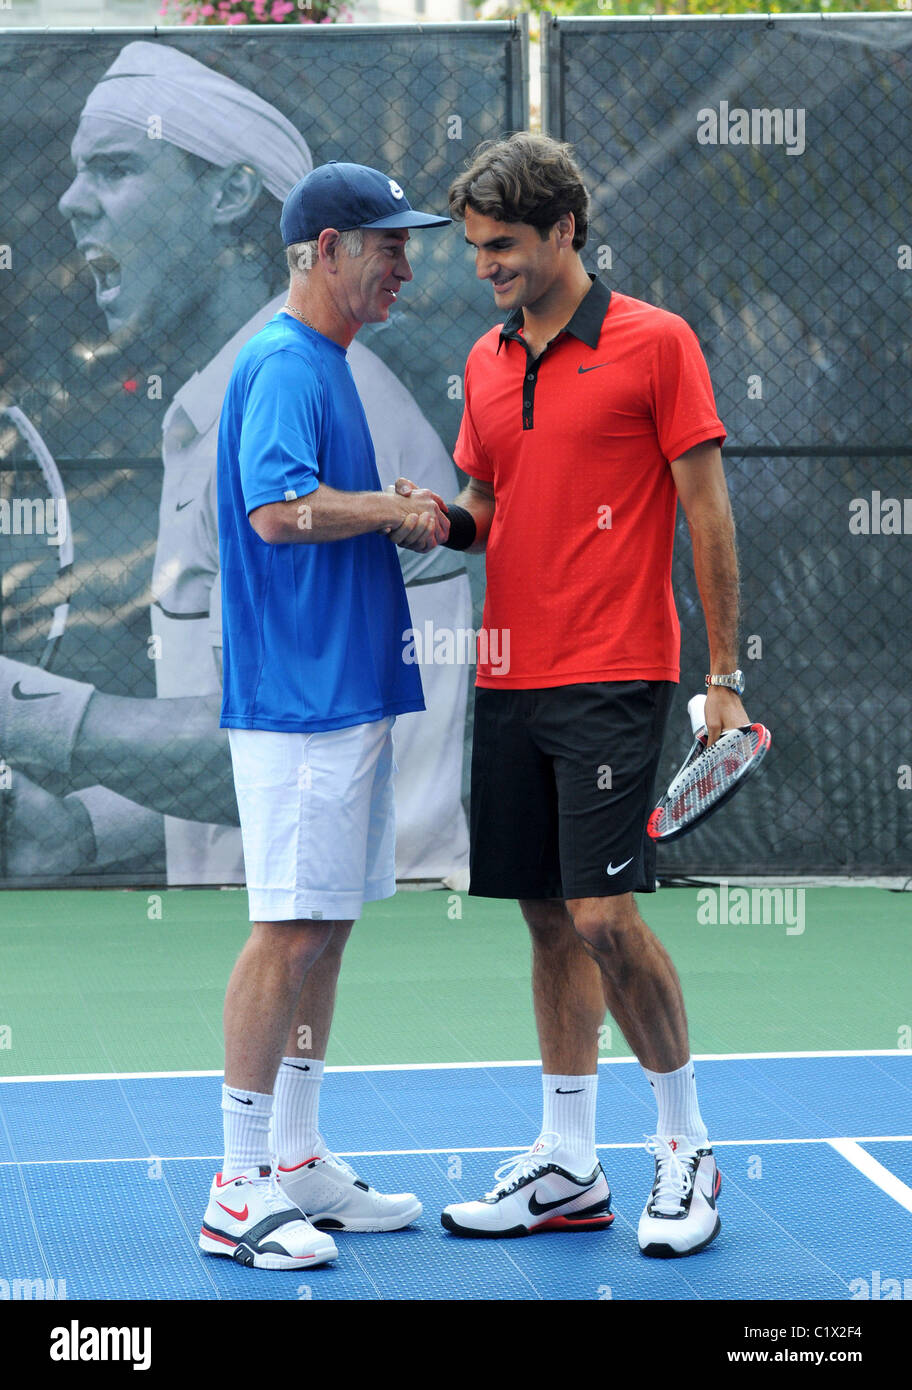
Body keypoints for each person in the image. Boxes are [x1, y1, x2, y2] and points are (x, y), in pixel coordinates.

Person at [0, 40, 470, 890]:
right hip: (311, 901)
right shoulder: (235, 398)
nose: (72, 203)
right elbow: (244, 731)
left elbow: (291, 739)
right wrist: (85, 831)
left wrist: (24, 713)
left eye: (114, 169)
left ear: (228, 195)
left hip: (365, 923)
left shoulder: (295, 398)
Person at [399, 132, 747, 1258]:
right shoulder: (488, 360)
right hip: (508, 674)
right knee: (548, 918)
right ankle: (569, 1162)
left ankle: (687, 1146)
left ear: (566, 230)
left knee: (603, 913)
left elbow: (707, 513)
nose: (484, 265)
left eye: (502, 246)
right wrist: (435, 518)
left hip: (613, 672)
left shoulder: (658, 344)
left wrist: (724, 679)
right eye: (473, 248)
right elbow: (484, 505)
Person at [200, 162, 453, 1269]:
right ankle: (236, 1184)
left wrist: (385, 509)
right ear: (324, 251)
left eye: (408, 243)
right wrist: (394, 509)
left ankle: (295, 1157)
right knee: (289, 926)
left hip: (345, 689)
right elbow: (274, 511)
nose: (406, 263)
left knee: (330, 919)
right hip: (300, 700)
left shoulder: (332, 361)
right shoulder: (282, 361)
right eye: (386, 244)